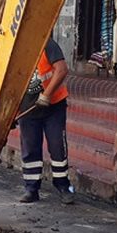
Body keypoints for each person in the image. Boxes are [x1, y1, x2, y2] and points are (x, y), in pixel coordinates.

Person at [17, 35, 74, 205]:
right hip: (27, 109)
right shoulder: (13, 52)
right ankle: (31, 189)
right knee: (30, 149)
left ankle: (64, 186)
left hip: (53, 107)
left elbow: (62, 69)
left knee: (57, 147)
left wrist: (47, 95)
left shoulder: (46, 44)